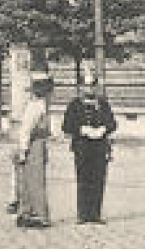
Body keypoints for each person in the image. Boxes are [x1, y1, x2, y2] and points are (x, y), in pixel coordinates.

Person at [61, 74, 117, 225]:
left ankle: (95, 214)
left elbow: (113, 123)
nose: (89, 88)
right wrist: (81, 129)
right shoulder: (75, 104)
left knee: (98, 179)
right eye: (86, 85)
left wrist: (103, 129)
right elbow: (66, 126)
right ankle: (83, 214)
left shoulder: (103, 104)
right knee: (83, 179)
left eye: (92, 85)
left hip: (99, 146)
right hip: (82, 146)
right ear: (80, 87)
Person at [13, 73, 54, 228]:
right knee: (32, 179)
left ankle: (37, 214)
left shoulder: (35, 106)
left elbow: (26, 130)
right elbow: (27, 130)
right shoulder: (40, 105)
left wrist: (23, 149)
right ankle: (30, 212)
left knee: (33, 179)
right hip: (36, 144)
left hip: (34, 144)